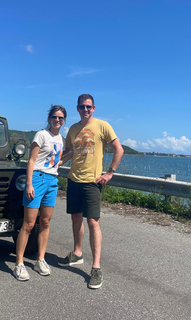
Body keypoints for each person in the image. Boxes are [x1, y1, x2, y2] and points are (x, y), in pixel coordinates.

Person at [59, 94, 124, 289]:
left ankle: (96, 267)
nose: (85, 110)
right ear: (77, 108)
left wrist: (109, 173)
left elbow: (118, 149)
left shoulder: (103, 126)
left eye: (88, 107)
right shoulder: (72, 129)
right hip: (73, 180)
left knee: (93, 222)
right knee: (75, 218)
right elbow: (69, 152)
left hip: (92, 182)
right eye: (82, 107)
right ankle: (77, 253)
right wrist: (54, 163)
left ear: (94, 108)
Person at [13, 105, 68, 281]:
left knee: (45, 222)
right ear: (49, 118)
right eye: (54, 117)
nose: (57, 120)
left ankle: (40, 259)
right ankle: (19, 263)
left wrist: (73, 152)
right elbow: (31, 160)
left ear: (64, 120)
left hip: (52, 181)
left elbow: (57, 162)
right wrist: (29, 184)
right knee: (29, 224)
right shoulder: (41, 135)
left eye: (60, 118)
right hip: (37, 179)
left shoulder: (61, 139)